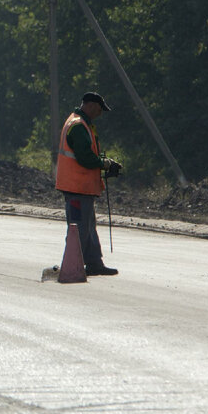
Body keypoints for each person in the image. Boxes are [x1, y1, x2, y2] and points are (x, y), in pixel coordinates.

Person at [56, 92, 122, 276]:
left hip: (80, 186)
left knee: (88, 226)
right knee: (79, 227)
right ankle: (74, 264)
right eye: (100, 110)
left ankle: (94, 263)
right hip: (76, 186)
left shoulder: (80, 123)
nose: (100, 114)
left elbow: (87, 154)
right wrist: (104, 164)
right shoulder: (78, 126)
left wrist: (103, 163)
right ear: (91, 105)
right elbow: (84, 157)